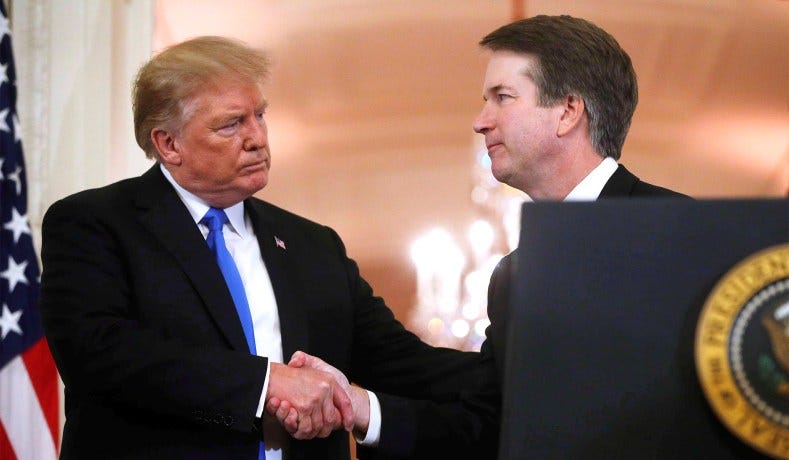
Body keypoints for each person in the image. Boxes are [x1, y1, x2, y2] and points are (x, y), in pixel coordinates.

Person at [39, 36, 476, 460]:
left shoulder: (314, 246)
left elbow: (404, 363)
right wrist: (267, 384)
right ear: (168, 144)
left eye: (259, 116)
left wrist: (508, 370)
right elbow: (100, 355)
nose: (257, 138)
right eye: (231, 124)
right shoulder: (95, 223)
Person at [284, 15, 689, 459]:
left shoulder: (682, 230)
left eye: (503, 97)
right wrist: (360, 408)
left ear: (568, 111)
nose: (480, 122)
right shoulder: (514, 275)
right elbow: (489, 427)